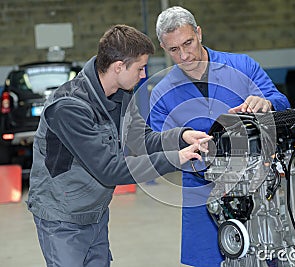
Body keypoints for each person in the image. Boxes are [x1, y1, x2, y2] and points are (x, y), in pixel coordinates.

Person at [26, 24, 211, 267]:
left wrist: (181, 136)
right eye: (140, 67)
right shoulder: (69, 108)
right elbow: (109, 169)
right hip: (63, 218)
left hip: (96, 210)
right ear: (118, 67)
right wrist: (176, 158)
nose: (143, 75)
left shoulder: (121, 94)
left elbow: (140, 138)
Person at [149, 6, 291, 267]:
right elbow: (156, 143)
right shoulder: (161, 93)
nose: (184, 55)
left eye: (188, 43)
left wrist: (266, 103)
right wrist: (182, 139)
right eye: (173, 50)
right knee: (209, 260)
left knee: (266, 256)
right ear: (163, 48)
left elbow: (282, 102)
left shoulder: (242, 67)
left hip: (256, 184)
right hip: (201, 191)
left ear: (199, 33)